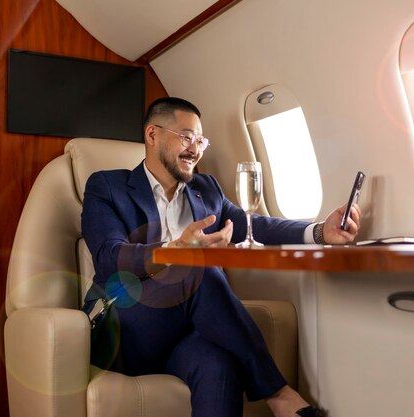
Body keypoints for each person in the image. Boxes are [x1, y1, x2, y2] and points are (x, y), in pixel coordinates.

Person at [81, 97, 361, 417]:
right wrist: (177, 251)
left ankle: (272, 391)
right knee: (195, 269)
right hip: (123, 326)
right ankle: (280, 395)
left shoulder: (207, 188)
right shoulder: (107, 185)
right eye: (187, 136)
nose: (195, 149)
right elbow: (108, 257)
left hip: (184, 336)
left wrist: (321, 232)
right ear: (152, 135)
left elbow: (257, 227)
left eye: (201, 140)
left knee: (219, 363)